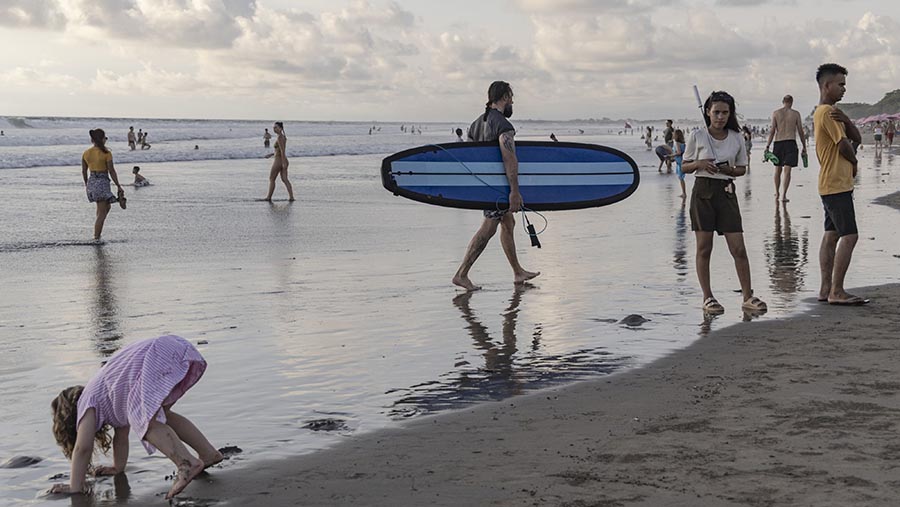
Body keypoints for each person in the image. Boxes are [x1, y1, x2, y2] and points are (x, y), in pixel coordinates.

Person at [49, 335, 222, 500]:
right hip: (170, 348)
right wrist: (118, 468)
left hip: (156, 356)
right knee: (162, 417)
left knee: (146, 421)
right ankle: (208, 453)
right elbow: (121, 438)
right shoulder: (111, 401)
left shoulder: (86, 402)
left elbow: (82, 448)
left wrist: (74, 486)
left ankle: (187, 463)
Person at [682, 91, 766, 315]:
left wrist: (727, 169)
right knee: (704, 247)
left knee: (738, 247)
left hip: (727, 192)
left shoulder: (736, 137)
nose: (720, 117)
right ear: (708, 112)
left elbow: (741, 168)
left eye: (725, 113)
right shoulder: (698, 135)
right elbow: (684, 166)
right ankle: (707, 297)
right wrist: (700, 163)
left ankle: (747, 296)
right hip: (703, 192)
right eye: (716, 112)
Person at [452, 81, 539, 291]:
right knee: (489, 227)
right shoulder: (503, 125)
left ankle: (518, 272)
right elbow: (510, 159)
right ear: (505, 97)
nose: (512, 102)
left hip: (486, 186)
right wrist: (515, 192)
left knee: (508, 223)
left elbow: (471, 159)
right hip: (498, 189)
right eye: (511, 97)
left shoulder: (475, 125)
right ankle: (462, 274)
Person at [813, 63, 866, 305]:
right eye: (840, 84)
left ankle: (826, 289)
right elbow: (845, 144)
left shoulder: (834, 113)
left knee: (832, 235)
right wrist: (854, 162)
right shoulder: (826, 112)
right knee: (850, 235)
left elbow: (857, 137)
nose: (844, 89)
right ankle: (837, 291)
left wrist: (846, 118)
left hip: (832, 183)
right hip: (836, 183)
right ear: (827, 85)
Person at [82, 129, 125, 241]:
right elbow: (111, 170)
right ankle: (96, 238)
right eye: (105, 138)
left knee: (105, 207)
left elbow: (84, 171)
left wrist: (87, 185)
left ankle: (98, 231)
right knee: (102, 213)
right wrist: (118, 185)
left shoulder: (86, 153)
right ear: (101, 140)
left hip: (92, 181)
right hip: (102, 181)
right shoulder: (106, 153)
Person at [764, 95, 808, 202]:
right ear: (792, 102)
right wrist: (804, 146)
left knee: (777, 169)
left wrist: (767, 146)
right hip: (790, 142)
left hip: (778, 143)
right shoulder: (796, 114)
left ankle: (777, 192)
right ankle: (784, 195)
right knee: (787, 171)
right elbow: (800, 131)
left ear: (783, 101)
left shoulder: (776, 113)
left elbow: (772, 131)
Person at [263, 121, 294, 202]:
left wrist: (283, 163)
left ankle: (269, 197)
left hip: (279, 160)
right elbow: (279, 150)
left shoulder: (280, 137)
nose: (274, 128)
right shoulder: (283, 137)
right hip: (282, 159)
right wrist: (271, 154)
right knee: (285, 179)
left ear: (280, 128)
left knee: (272, 179)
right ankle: (291, 197)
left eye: (276, 127)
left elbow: (282, 151)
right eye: (273, 127)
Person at [673, 129, 687, 198]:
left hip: (679, 162)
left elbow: (678, 152)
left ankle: (684, 193)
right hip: (683, 161)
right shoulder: (683, 143)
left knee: (681, 178)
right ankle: (683, 192)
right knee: (681, 178)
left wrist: (671, 155)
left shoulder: (677, 143)